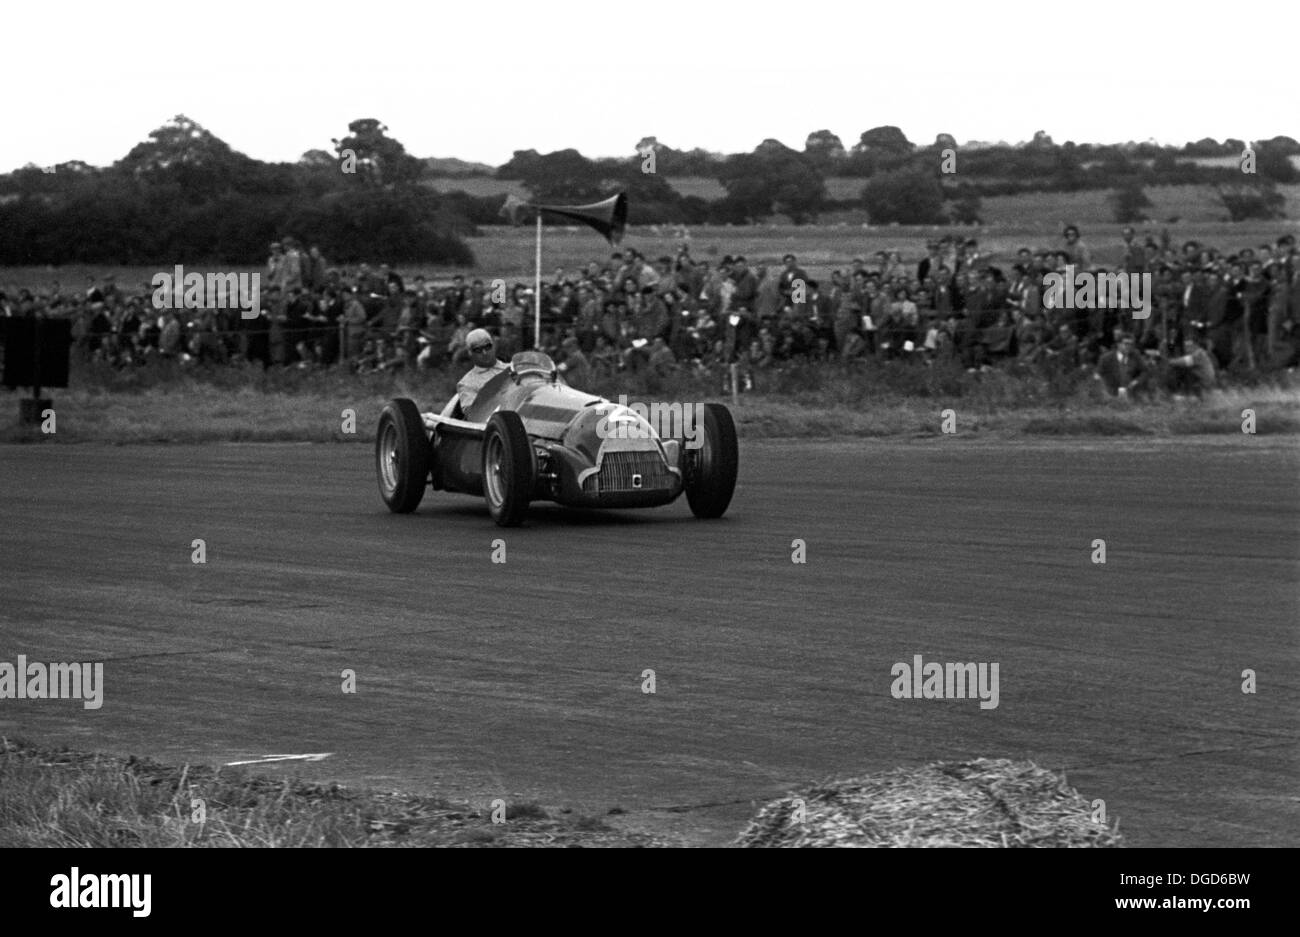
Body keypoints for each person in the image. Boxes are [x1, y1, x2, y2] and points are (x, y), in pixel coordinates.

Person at [456, 328, 508, 413]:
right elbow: (473, 415)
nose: (484, 353)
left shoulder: (513, 368)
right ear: (470, 353)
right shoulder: (466, 383)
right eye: (478, 350)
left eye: (488, 347)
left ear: (493, 346)